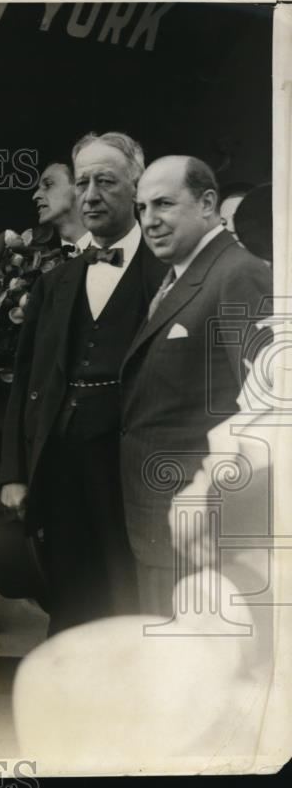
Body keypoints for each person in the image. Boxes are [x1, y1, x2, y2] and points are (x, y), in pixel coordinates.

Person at [0, 132, 167, 636]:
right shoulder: (56, 281)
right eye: (82, 182)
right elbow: (26, 380)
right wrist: (15, 471)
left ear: (136, 188)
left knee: (133, 595)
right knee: (72, 598)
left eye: (106, 181)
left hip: (133, 467)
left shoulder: (168, 273)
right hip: (62, 463)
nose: (90, 194)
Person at [120, 156, 272, 615]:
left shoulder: (237, 273)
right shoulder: (181, 276)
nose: (150, 221)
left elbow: (264, 411)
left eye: (163, 204)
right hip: (162, 522)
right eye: (142, 208)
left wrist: (211, 505)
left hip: (200, 526)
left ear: (208, 203)